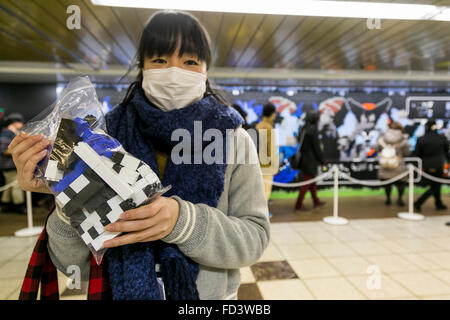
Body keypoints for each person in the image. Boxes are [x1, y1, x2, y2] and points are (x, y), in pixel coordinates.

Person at [9, 10, 270, 300]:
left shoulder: (233, 139)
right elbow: (74, 267)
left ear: (207, 70)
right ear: (142, 65)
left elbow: (254, 237)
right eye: (160, 59)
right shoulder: (103, 136)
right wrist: (63, 191)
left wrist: (183, 222)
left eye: (190, 61)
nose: (174, 71)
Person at [414, 120, 449, 212]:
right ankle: (419, 202)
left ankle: (438, 203)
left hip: (426, 166)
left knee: (435, 186)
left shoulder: (421, 139)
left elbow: (417, 154)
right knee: (436, 186)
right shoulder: (442, 138)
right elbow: (447, 153)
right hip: (439, 166)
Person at [294, 110, 326, 211]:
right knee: (306, 183)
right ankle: (298, 205)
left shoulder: (304, 128)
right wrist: (322, 161)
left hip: (304, 159)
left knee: (312, 182)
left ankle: (316, 201)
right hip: (311, 161)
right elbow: (316, 146)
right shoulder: (313, 129)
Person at [377, 122, 410, 206]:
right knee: (401, 184)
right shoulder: (403, 138)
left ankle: (388, 199)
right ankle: (400, 199)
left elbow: (378, 148)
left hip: (385, 164)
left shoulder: (382, 137)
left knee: (387, 183)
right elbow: (407, 152)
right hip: (398, 164)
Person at [255, 102, 278, 218]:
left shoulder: (259, 125)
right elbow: (270, 148)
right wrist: (274, 164)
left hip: (258, 163)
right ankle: (263, 214)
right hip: (266, 164)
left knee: (260, 190)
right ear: (272, 114)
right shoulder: (268, 127)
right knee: (266, 191)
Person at [0, 113, 26, 214]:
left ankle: (4, 205)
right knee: (16, 185)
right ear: (14, 122)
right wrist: (20, 150)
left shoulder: (10, 133)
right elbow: (3, 150)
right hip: (8, 165)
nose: (21, 124)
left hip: (9, 165)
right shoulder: (7, 134)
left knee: (10, 185)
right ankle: (19, 206)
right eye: (19, 121)